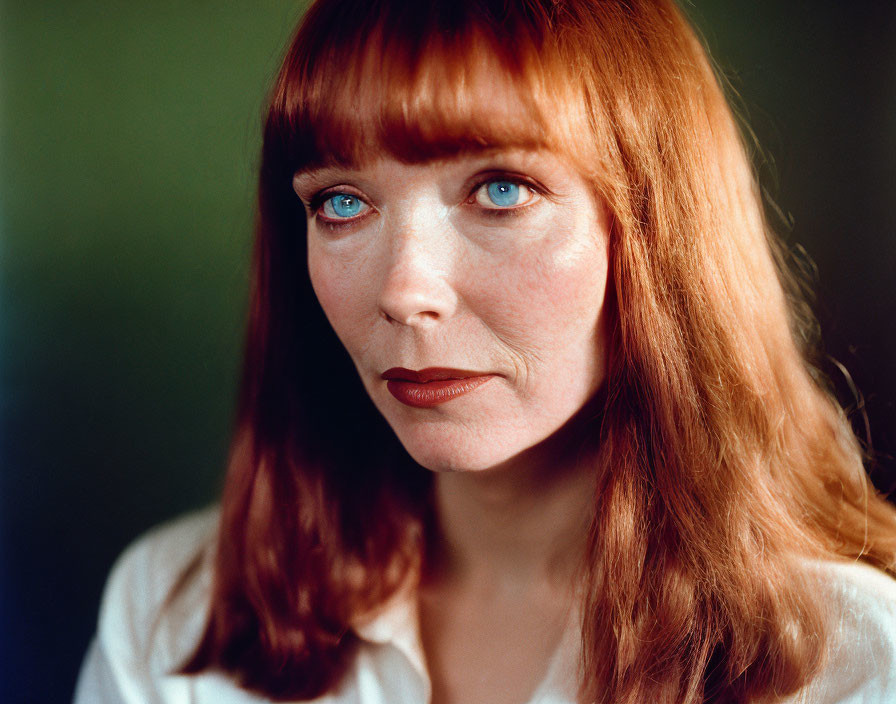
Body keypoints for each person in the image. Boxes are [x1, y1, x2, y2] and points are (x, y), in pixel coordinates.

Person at [74, 1, 896, 702]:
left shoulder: (855, 658)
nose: (404, 290)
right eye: (343, 201)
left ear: (656, 228)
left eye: (501, 188)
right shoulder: (173, 616)